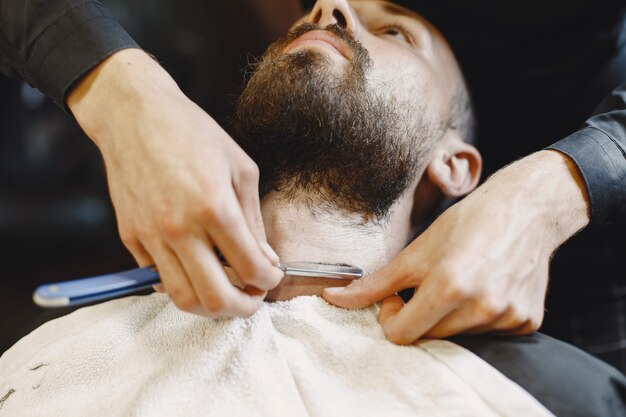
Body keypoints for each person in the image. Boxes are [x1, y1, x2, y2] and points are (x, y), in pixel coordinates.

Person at [2, 6, 624, 413]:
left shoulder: (546, 397)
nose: (332, 8)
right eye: (306, 15)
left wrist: (557, 186)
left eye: (395, 31)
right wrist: (119, 91)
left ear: (456, 165)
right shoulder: (42, 366)